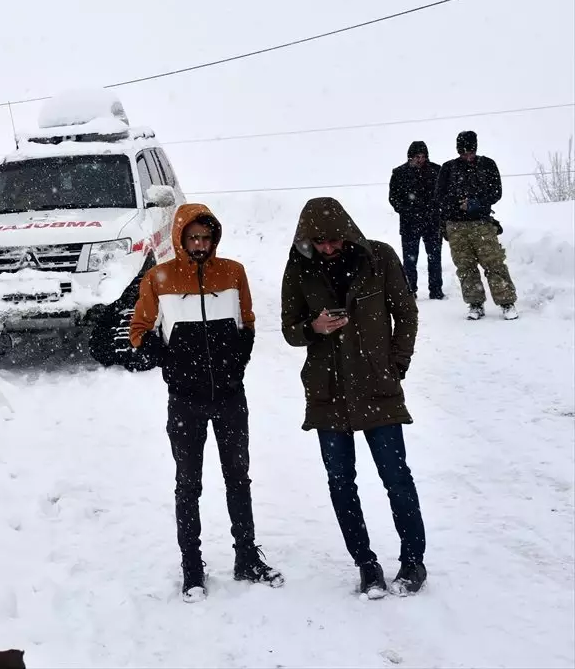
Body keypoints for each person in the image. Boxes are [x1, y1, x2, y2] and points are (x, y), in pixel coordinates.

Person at [130, 203, 283, 603]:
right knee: (188, 484)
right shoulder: (158, 277)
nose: (200, 244)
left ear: (214, 238)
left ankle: (247, 557)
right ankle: (192, 567)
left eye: (206, 237)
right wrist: (168, 359)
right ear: (181, 238)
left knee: (239, 478)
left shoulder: (232, 272)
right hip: (185, 401)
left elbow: (247, 321)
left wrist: (238, 358)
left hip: (230, 397)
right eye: (193, 237)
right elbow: (139, 330)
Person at [280, 197, 427, 599]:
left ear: (346, 231)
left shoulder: (378, 257)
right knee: (341, 482)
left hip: (378, 387)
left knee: (396, 478)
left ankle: (414, 560)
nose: (327, 248)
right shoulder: (299, 266)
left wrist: (397, 363)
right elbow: (289, 329)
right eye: (318, 242)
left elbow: (407, 313)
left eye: (333, 239)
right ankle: (366, 564)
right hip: (327, 392)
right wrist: (314, 326)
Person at [435, 130, 518, 320]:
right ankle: (475, 303)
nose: (467, 156)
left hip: (482, 224)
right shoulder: (448, 168)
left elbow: (496, 192)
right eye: (463, 152)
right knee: (465, 266)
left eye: (470, 152)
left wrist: (475, 203)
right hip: (456, 226)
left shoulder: (487, 165)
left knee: (494, 262)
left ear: (475, 148)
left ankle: (507, 302)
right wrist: (458, 203)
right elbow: (439, 196)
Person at [388, 141, 444, 300]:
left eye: (423, 156)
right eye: (417, 157)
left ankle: (436, 290)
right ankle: (410, 290)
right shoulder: (399, 173)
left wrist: (436, 211)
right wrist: (407, 211)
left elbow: (442, 195)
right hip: (409, 224)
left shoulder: (436, 171)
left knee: (434, 258)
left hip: (432, 223)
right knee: (410, 261)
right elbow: (394, 198)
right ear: (410, 157)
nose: (420, 160)